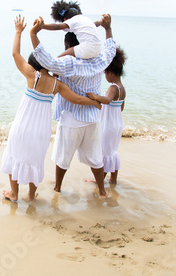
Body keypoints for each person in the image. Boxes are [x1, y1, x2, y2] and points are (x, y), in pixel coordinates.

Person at [1, 16, 102, 203]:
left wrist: (18, 31)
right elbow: (78, 100)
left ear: (34, 65)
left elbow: (15, 54)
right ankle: (31, 195)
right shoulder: (57, 84)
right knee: (35, 161)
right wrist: (95, 102)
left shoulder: (32, 76)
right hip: (41, 131)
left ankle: (14, 194)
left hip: (22, 127)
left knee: (14, 155)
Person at [31, 14, 116, 199]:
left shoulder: (70, 63)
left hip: (71, 118)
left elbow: (48, 62)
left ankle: (58, 188)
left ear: (70, 46)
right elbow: (110, 49)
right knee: (95, 157)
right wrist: (107, 28)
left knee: (63, 157)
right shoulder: (100, 60)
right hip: (93, 117)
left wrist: (34, 35)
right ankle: (102, 191)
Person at [87, 48, 127, 184]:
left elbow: (108, 100)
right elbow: (121, 107)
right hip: (117, 124)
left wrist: (95, 97)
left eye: (105, 73)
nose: (105, 76)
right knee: (112, 151)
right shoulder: (122, 89)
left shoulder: (113, 87)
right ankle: (113, 179)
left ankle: (100, 181)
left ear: (110, 72)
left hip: (108, 126)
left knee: (104, 152)